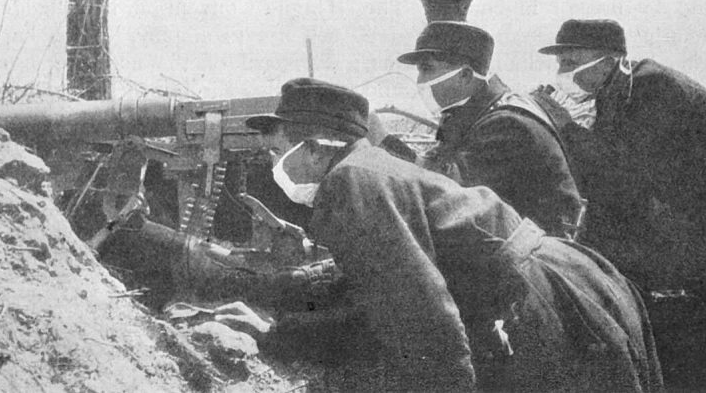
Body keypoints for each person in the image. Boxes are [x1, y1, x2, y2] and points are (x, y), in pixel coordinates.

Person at [214, 77, 664, 391]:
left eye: (277, 152)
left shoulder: (353, 182)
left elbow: (423, 322)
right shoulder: (369, 169)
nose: (275, 167)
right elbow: (377, 286)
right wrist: (278, 321)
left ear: (313, 149)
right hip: (560, 278)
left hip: (540, 299)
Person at [536, 18, 706, 387]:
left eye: (570, 63)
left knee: (693, 358)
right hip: (694, 239)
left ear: (607, 59)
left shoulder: (651, 88)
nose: (562, 73)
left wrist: (563, 125)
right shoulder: (620, 90)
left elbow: (622, 177)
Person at [397, 21, 584, 238]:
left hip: (539, 258)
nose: (420, 80)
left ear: (465, 75)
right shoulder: (480, 112)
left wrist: (383, 144)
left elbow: (443, 189)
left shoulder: (506, 125)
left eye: (426, 69)